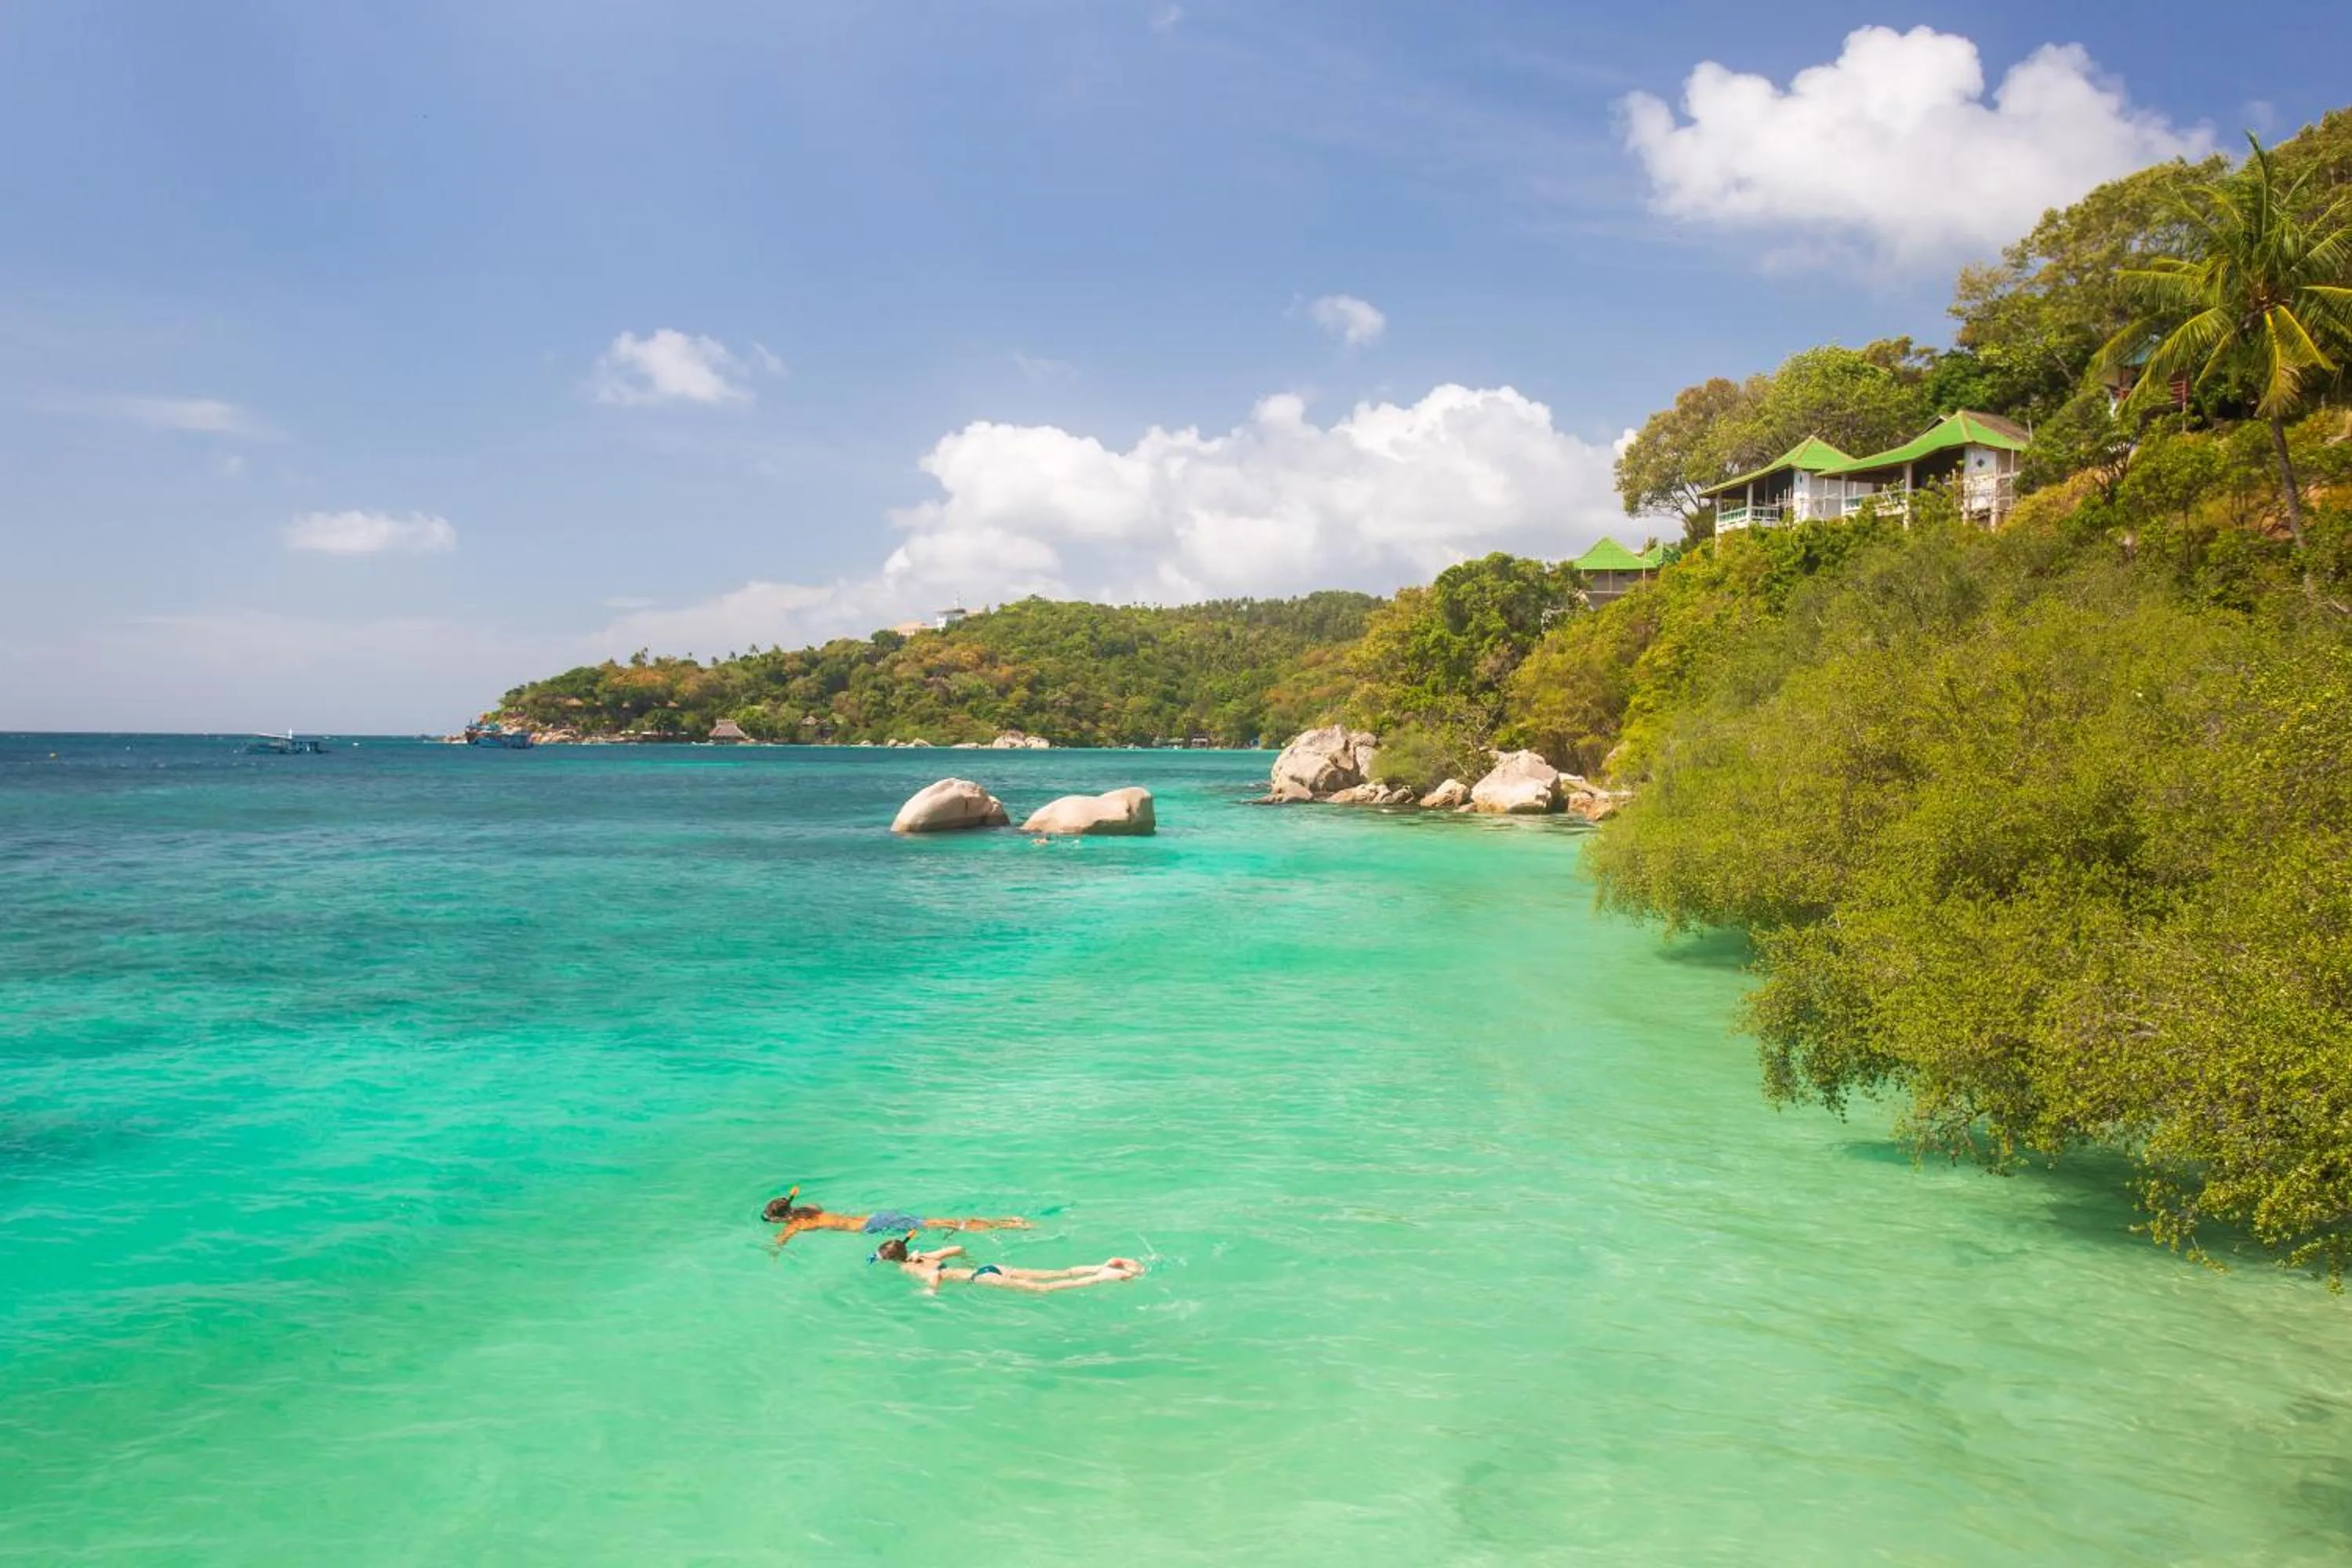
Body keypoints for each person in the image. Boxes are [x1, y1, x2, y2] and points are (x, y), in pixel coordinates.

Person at [761, 1185, 1033, 1247]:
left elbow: (781, 1240)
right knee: (938, 1223)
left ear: (782, 1217)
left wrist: (774, 1247)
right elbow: (794, 1212)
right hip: (876, 1216)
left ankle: (1009, 1225)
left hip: (873, 1225)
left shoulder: (798, 1223)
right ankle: (1006, 1222)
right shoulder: (809, 1210)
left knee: (942, 1224)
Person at [873, 1235, 1145, 1295]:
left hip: (981, 1279)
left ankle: (1109, 1275)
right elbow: (957, 1248)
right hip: (992, 1267)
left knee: (1046, 1289)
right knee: (1059, 1273)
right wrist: (967, 1262)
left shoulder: (907, 1267)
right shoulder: (928, 1255)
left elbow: (934, 1276)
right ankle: (1103, 1264)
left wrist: (931, 1291)